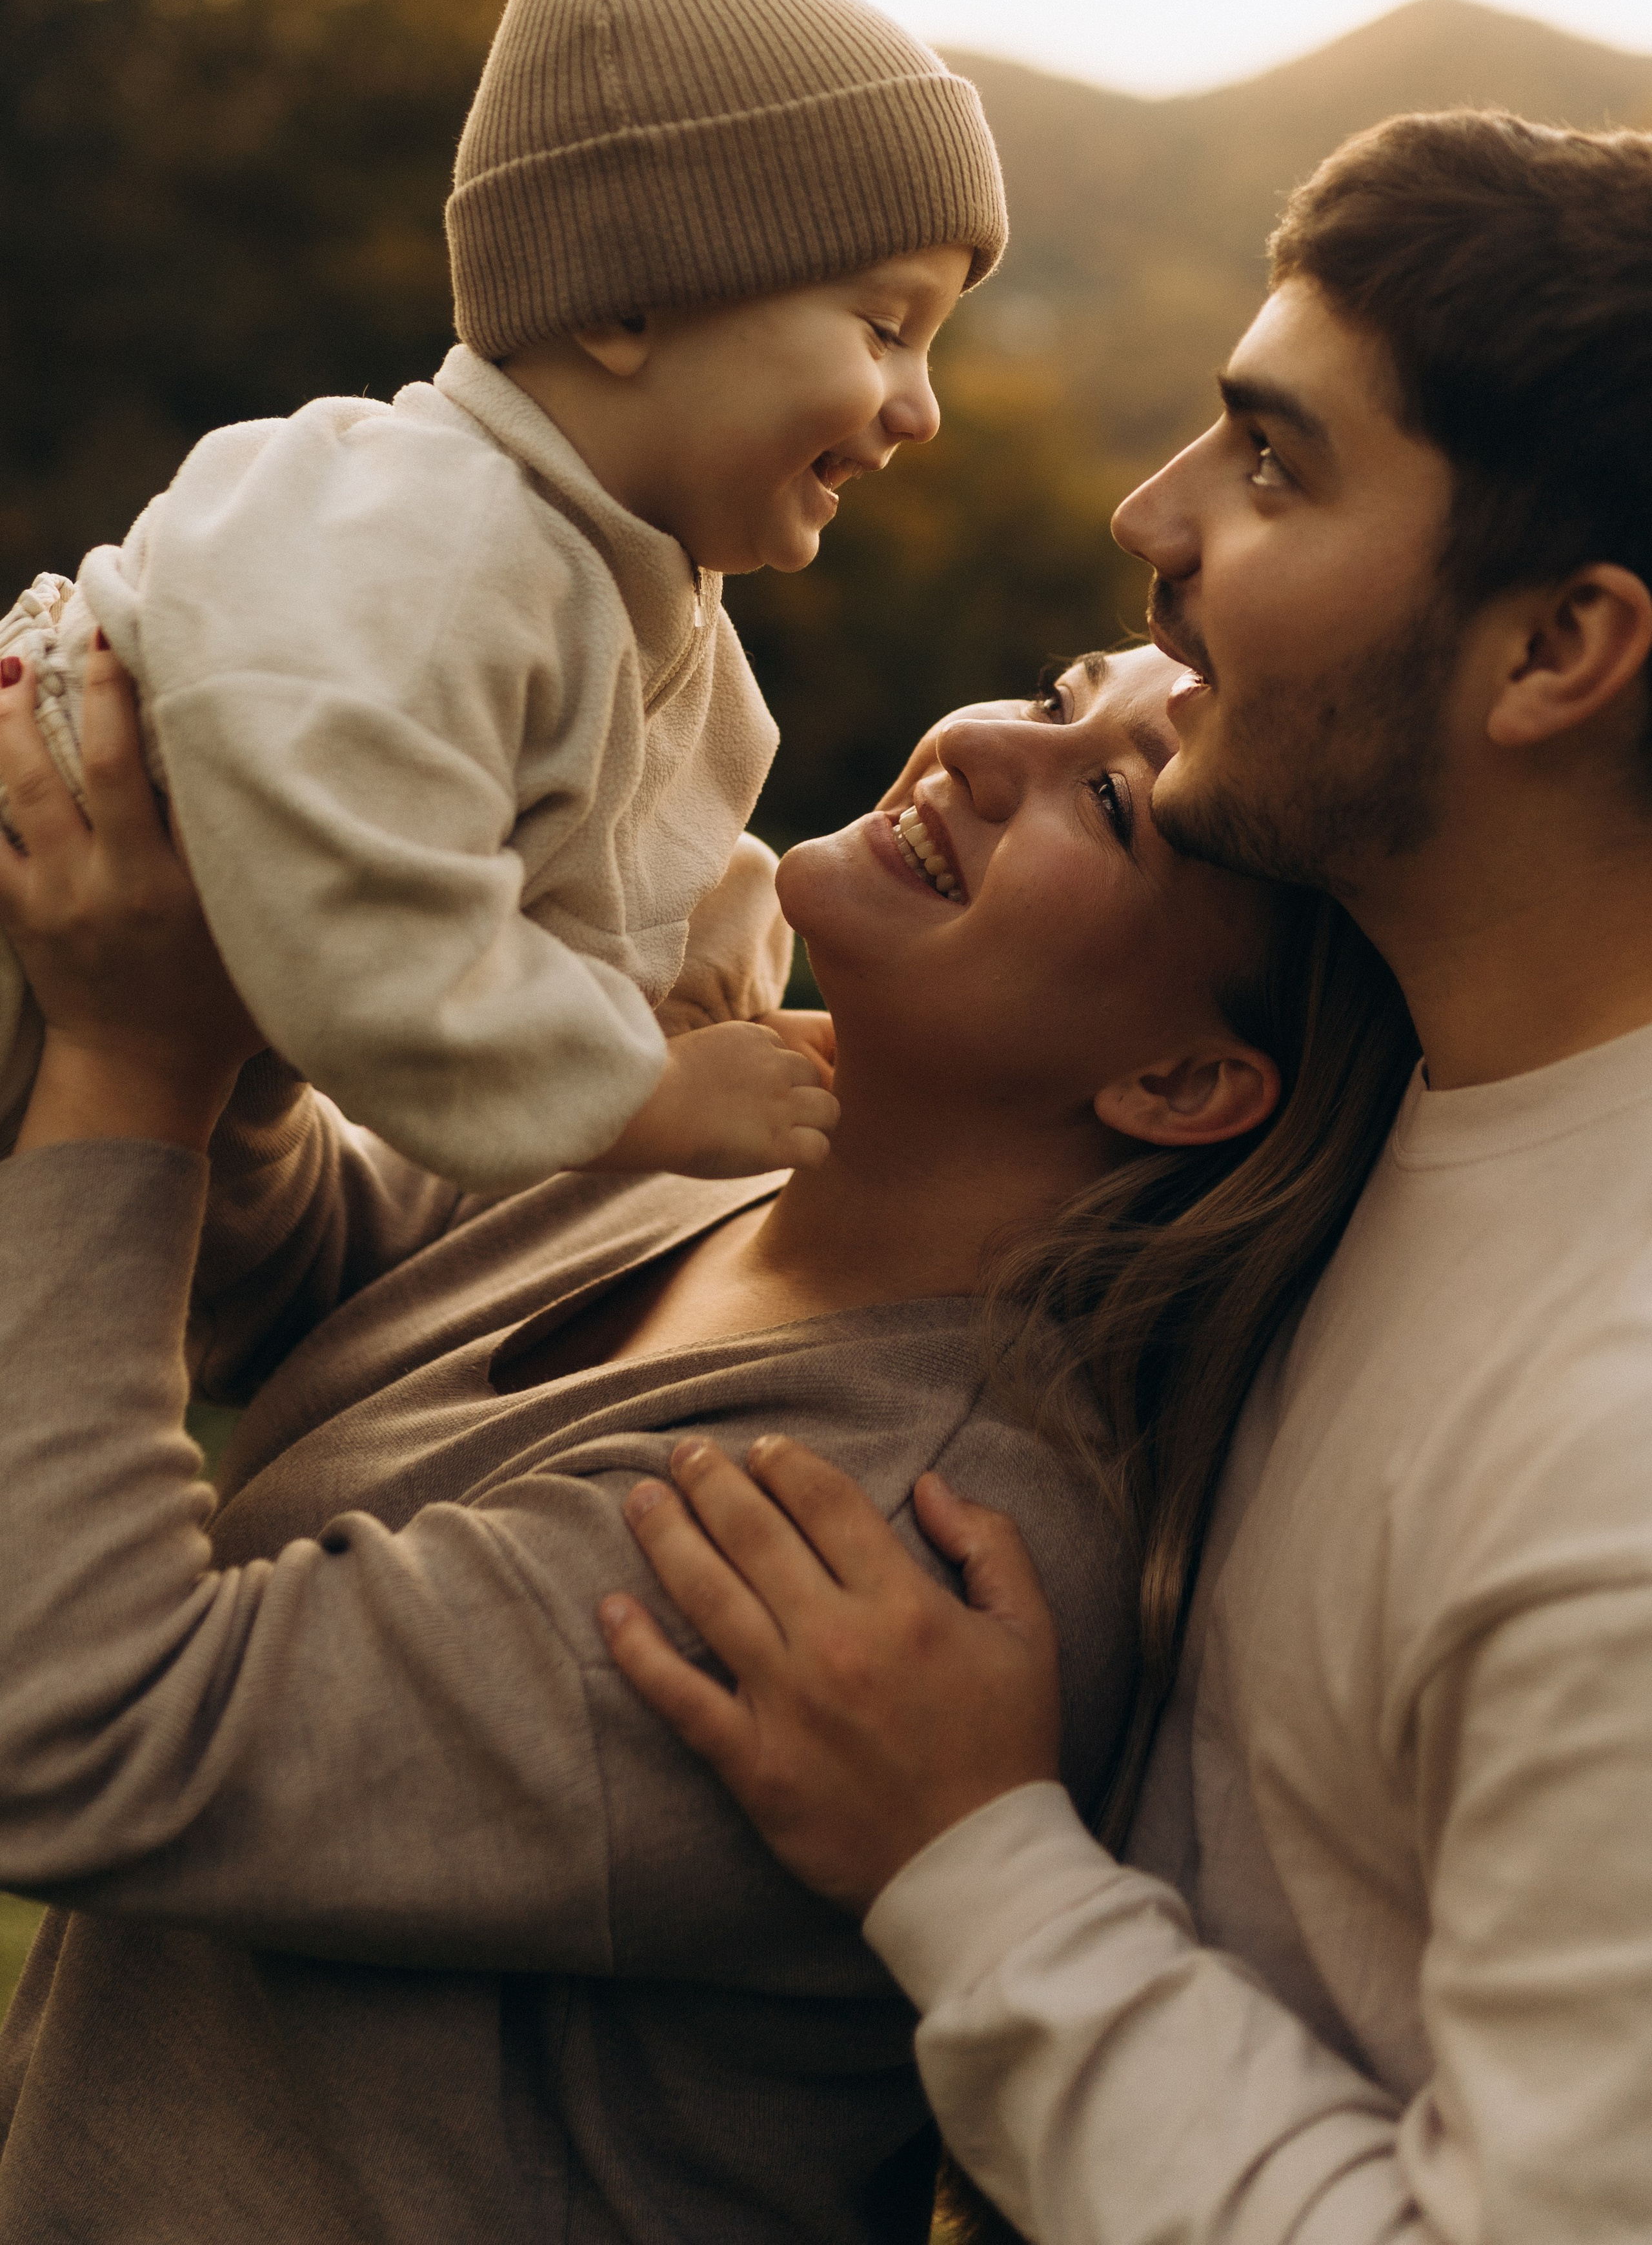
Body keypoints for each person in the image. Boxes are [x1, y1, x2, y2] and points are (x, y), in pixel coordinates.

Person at [0, 637, 1415, 2240]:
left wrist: (132, 1060)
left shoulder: (868, 1537)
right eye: (1051, 695)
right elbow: (305, 1267)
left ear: (1180, 1082)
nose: (981, 748)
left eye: (1106, 800)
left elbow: (81, 1727)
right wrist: (226, 934)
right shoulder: (726, 1146)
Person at [604, 108, 1652, 2244]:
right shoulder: (1376, 1117)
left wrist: (976, 1868)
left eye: (1275, 463)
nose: (1146, 514)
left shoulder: (1613, 1462)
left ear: (1559, 651)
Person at [0, 0, 1005, 1185]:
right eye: (884, 328)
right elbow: (358, 903)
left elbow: (586, 846)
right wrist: (638, 1092)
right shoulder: (431, 532)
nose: (920, 409)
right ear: (624, 304)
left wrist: (706, 953)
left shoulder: (629, 591)